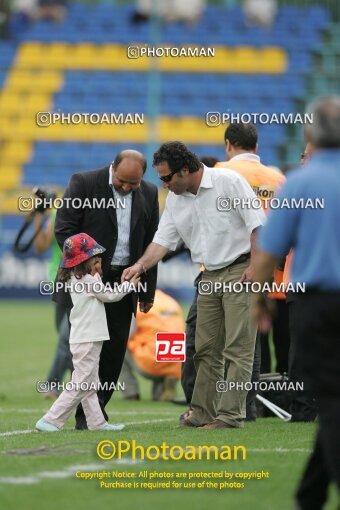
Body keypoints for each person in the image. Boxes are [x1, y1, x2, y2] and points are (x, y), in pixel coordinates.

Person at [122, 141, 266, 429]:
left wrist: (254, 267)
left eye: (167, 178)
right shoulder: (177, 199)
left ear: (185, 170)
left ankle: (230, 416)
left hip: (241, 271)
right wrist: (139, 266)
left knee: (238, 348)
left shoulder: (229, 182)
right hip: (209, 276)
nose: (163, 185)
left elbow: (257, 226)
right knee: (204, 349)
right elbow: (162, 241)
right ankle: (201, 412)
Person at [253, 96, 340, 509]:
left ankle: (314, 492)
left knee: (330, 394)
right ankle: (310, 494)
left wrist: (258, 299)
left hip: (316, 300)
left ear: (311, 136)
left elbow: (268, 251)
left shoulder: (299, 184)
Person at [54, 150, 159, 429]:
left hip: (125, 280)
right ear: (113, 167)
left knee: (113, 355)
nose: (126, 188)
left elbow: (152, 245)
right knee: (88, 354)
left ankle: (93, 415)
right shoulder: (84, 183)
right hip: (87, 280)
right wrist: (86, 267)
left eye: (132, 184)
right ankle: (80, 418)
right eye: (122, 181)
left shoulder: (149, 193)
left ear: (142, 178)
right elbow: (63, 230)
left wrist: (147, 292)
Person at [36, 233, 140, 432]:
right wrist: (129, 285)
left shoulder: (75, 278)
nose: (100, 265)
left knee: (90, 383)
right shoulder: (88, 280)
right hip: (88, 338)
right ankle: (50, 420)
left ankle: (96, 423)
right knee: (82, 382)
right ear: (85, 261)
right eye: (96, 261)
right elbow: (111, 295)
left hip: (87, 337)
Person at [120, 289, 185, 401]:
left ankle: (130, 392)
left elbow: (127, 334)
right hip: (176, 361)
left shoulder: (138, 302)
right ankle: (164, 386)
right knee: (161, 343)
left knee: (118, 347)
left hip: (151, 361)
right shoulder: (170, 301)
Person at [34, 208, 71, 399]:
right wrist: (40, 215)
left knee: (67, 336)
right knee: (66, 336)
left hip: (81, 282)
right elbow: (41, 246)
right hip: (58, 282)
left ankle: (52, 384)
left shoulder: (95, 210)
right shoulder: (59, 213)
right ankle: (79, 385)